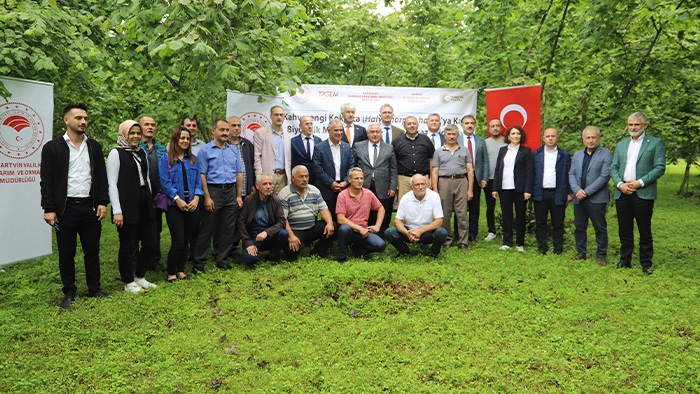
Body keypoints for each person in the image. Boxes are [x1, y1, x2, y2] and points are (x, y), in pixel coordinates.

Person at [40, 103, 109, 309]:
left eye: (85, 118)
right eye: (79, 118)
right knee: (67, 252)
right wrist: (49, 208)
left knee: (92, 250)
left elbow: (101, 177)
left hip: (89, 207)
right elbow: (47, 180)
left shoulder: (94, 147)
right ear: (66, 120)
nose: (83, 122)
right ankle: (69, 292)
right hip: (65, 208)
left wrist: (102, 202)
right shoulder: (52, 148)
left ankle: (94, 288)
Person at [107, 120, 159, 293]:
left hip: (145, 202)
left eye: (138, 133)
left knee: (150, 241)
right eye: (132, 133)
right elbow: (112, 183)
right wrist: (117, 211)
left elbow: (147, 179)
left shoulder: (141, 153)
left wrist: (151, 200)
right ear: (124, 134)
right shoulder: (116, 153)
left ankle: (140, 276)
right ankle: (128, 281)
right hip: (127, 204)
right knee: (128, 245)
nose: (136, 136)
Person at [611, 112, 666, 275]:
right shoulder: (621, 145)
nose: (633, 128)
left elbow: (660, 167)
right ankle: (625, 260)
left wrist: (639, 182)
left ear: (645, 126)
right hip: (622, 192)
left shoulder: (655, 143)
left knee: (644, 229)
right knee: (624, 229)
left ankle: (646, 263)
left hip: (643, 192)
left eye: (637, 125)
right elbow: (613, 167)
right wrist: (620, 184)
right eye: (630, 125)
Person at [194, 119, 244, 271]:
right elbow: (202, 175)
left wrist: (239, 195)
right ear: (213, 131)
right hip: (213, 191)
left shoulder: (232, 150)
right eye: (221, 130)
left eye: (227, 130)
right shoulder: (205, 151)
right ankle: (199, 263)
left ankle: (222, 259)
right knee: (207, 228)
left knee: (227, 229)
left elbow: (239, 173)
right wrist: (207, 197)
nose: (225, 133)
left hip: (230, 192)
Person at [160, 127, 202, 282]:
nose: (185, 141)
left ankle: (181, 270)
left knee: (187, 240)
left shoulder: (193, 159)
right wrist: (177, 199)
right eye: (181, 138)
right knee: (178, 240)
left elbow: (198, 181)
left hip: (192, 204)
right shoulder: (166, 159)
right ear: (175, 140)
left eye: (187, 138)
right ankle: (171, 272)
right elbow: (165, 183)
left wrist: (196, 198)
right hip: (174, 206)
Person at [568, 126, 613, 265]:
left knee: (600, 227)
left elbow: (604, 177)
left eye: (594, 137)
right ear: (583, 140)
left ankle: (601, 255)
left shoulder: (606, 154)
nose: (591, 140)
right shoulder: (577, 155)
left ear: (599, 138)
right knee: (580, 227)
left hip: (596, 198)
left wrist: (586, 192)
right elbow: (571, 174)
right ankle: (581, 252)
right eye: (588, 138)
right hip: (578, 197)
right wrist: (577, 190)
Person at [431, 124, 474, 252]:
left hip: (461, 181)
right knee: (445, 213)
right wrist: (435, 191)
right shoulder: (438, 151)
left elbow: (470, 170)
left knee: (462, 214)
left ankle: (463, 242)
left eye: (453, 134)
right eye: (449, 134)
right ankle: (446, 240)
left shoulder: (464, 150)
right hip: (444, 182)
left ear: (458, 135)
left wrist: (470, 189)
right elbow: (434, 172)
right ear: (444, 135)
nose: (451, 137)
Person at [278, 165, 335, 259]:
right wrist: (291, 236)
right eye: (301, 176)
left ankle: (317, 253)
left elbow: (324, 209)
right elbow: (283, 218)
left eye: (306, 176)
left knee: (334, 227)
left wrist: (329, 223)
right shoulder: (284, 194)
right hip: (295, 230)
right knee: (291, 252)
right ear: (293, 178)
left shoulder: (314, 190)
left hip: (312, 228)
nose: (304, 179)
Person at [385, 174, 447, 258]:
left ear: (427, 185)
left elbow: (439, 221)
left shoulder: (434, 196)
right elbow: (397, 221)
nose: (420, 187)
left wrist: (420, 231)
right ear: (411, 187)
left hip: (427, 231)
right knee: (389, 232)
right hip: (409, 231)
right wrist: (407, 234)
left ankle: (433, 253)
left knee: (442, 233)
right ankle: (405, 251)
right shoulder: (405, 198)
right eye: (417, 184)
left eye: (423, 184)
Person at [492, 125, 533, 252]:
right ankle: (507, 242)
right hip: (504, 188)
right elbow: (498, 169)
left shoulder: (526, 151)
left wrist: (528, 190)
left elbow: (530, 172)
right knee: (506, 216)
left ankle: (520, 243)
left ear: (521, 136)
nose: (515, 136)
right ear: (508, 136)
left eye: (518, 134)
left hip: (520, 189)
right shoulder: (503, 150)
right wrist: (495, 188)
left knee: (520, 216)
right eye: (513, 133)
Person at [352, 123, 398, 235]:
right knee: (364, 209)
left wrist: (392, 186)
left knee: (383, 211)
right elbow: (352, 166)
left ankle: (382, 234)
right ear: (367, 133)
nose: (375, 134)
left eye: (377, 132)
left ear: (381, 133)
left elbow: (393, 169)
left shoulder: (389, 148)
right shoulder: (358, 146)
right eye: (372, 132)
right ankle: (363, 233)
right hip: (363, 184)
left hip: (383, 186)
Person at [532, 128, 571, 255]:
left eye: (552, 136)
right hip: (540, 192)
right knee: (540, 222)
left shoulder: (564, 155)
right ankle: (542, 247)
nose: (550, 138)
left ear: (557, 138)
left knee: (558, 222)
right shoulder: (536, 154)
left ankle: (558, 248)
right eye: (547, 136)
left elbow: (569, 174)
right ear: (543, 138)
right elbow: (532, 174)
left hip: (558, 192)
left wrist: (569, 193)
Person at [335, 167, 386, 262]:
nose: (360, 181)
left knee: (381, 245)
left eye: (361, 178)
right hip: (349, 231)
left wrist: (377, 226)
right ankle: (342, 256)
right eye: (356, 178)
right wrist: (359, 228)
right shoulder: (342, 195)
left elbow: (381, 209)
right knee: (343, 229)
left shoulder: (368, 193)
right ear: (349, 179)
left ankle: (357, 251)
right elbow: (340, 219)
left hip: (364, 232)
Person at [238, 174, 288, 266]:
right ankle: (255, 252)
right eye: (265, 184)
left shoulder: (275, 200)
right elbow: (241, 223)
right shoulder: (249, 200)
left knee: (283, 234)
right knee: (250, 260)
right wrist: (248, 243)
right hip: (254, 238)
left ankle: (272, 256)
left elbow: (282, 221)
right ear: (257, 186)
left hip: (269, 237)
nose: (268, 187)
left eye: (270, 184)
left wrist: (266, 232)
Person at [138, 116, 166, 271]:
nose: (150, 127)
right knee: (137, 229)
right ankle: (136, 259)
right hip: (139, 195)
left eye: (153, 125)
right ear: (140, 127)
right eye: (146, 124)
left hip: (156, 196)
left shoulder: (161, 149)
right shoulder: (134, 146)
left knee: (156, 228)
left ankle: (154, 260)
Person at [312, 120, 354, 219]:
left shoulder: (347, 147)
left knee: (344, 217)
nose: (339, 133)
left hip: (344, 188)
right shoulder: (319, 147)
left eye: (341, 130)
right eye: (336, 130)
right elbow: (317, 168)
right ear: (328, 131)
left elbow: (351, 166)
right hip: (327, 188)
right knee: (328, 219)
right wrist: (331, 183)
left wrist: (346, 181)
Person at [458, 115, 489, 242]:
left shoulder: (481, 141)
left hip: (477, 177)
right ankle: (459, 233)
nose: (469, 125)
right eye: (467, 123)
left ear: (475, 125)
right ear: (462, 125)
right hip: (460, 177)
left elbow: (485, 160)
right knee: (459, 207)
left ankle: (472, 234)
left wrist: (484, 177)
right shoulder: (456, 139)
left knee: (475, 208)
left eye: (472, 123)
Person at [393, 116, 435, 202]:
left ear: (417, 125)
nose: (412, 126)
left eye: (414, 123)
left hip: (423, 179)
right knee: (404, 206)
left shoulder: (426, 139)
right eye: (409, 124)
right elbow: (393, 162)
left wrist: (431, 178)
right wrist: (395, 181)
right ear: (404, 126)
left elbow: (431, 159)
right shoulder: (397, 141)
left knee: (424, 204)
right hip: (404, 180)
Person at [254, 105, 292, 194]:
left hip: (283, 177)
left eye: (281, 115)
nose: (279, 117)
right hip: (267, 176)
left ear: (284, 117)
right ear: (271, 116)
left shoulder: (287, 136)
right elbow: (257, 157)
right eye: (276, 115)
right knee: (266, 203)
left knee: (281, 204)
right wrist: (259, 177)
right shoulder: (260, 133)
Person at [483, 118, 506, 241]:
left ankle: (505, 230)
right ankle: (491, 231)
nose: (495, 128)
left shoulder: (507, 142)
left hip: (505, 180)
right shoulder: (485, 143)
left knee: (505, 207)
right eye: (493, 126)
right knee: (490, 206)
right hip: (490, 179)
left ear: (501, 128)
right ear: (489, 128)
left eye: (498, 126)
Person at [227, 115, 255, 197]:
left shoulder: (247, 144)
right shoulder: (223, 144)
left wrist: (252, 184)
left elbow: (253, 165)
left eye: (239, 126)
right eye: (233, 125)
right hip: (228, 192)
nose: (237, 128)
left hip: (246, 190)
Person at [290, 116, 322, 185]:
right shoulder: (293, 142)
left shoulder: (318, 140)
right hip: (300, 179)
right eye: (307, 124)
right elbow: (291, 162)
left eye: (311, 124)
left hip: (316, 179)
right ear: (300, 126)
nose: (310, 126)